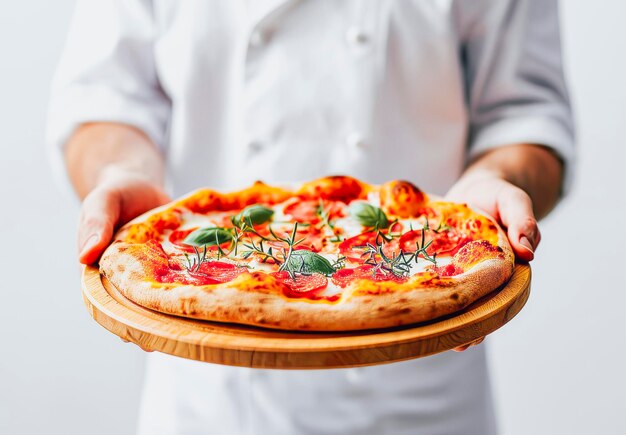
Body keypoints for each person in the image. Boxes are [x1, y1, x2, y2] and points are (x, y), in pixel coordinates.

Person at [47, 1, 574, 434]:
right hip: (210, 391)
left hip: (420, 387)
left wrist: (495, 181)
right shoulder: (162, 251)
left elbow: (524, 114)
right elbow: (104, 99)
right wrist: (121, 170)